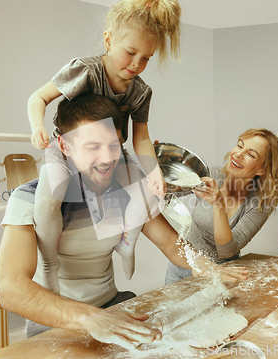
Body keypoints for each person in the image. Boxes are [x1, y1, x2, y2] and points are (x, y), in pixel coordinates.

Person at [0, 93, 248, 349]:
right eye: (93, 147)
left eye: (114, 145)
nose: (108, 158)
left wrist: (206, 266)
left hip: (113, 307)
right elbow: (11, 289)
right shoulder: (28, 198)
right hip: (57, 319)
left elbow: (172, 245)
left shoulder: (127, 191)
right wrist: (89, 317)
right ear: (64, 146)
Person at [28, 0, 181, 297]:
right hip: (69, 149)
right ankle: (48, 264)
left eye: (147, 58)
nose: (137, 64)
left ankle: (127, 243)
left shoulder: (141, 91)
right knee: (49, 196)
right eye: (131, 52)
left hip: (112, 155)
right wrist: (37, 126)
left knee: (144, 192)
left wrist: (154, 173)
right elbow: (38, 98)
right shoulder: (84, 70)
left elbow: (140, 139)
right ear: (109, 39)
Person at [165, 128, 278, 285]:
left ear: (262, 169)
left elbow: (226, 251)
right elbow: (166, 191)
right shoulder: (210, 175)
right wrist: (161, 167)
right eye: (239, 145)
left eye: (251, 154)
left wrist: (219, 205)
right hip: (182, 266)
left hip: (222, 273)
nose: (238, 154)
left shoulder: (261, 203)